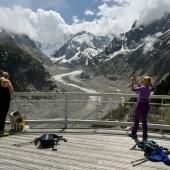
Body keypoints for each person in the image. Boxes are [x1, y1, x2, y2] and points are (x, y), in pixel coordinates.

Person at [128, 75, 152, 141]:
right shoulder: (149, 88)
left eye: (144, 80)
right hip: (146, 105)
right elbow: (140, 86)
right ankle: (145, 136)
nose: (142, 81)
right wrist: (136, 80)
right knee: (144, 121)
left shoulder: (143, 88)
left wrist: (132, 81)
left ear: (146, 82)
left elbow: (133, 89)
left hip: (140, 105)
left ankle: (134, 134)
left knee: (136, 120)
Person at [0, 71, 14, 135]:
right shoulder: (6, 81)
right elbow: (11, 90)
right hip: (4, 101)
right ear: (7, 76)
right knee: (3, 115)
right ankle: (1, 131)